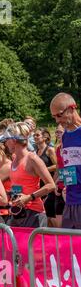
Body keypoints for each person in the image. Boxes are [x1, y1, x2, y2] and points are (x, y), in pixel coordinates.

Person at [0, 123, 55, 227]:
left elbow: (51, 185)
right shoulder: (14, 158)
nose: (5, 144)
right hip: (17, 213)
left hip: (34, 213)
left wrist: (29, 197)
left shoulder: (32, 159)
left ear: (14, 141)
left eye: (6, 140)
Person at [50, 93, 81, 229]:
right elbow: (68, 165)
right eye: (54, 117)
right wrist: (61, 181)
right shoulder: (65, 137)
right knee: (70, 247)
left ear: (71, 108)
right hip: (69, 201)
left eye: (59, 115)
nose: (57, 121)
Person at [34, 127, 58, 223]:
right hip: (39, 186)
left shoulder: (50, 150)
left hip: (49, 184)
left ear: (44, 137)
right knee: (45, 214)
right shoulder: (35, 152)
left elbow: (57, 166)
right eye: (34, 135)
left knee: (51, 214)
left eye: (37, 135)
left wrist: (43, 170)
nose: (35, 137)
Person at [52, 124, 66, 227]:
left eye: (60, 132)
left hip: (70, 187)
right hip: (59, 186)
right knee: (59, 223)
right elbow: (58, 168)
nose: (58, 134)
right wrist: (53, 184)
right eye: (57, 132)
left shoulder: (72, 148)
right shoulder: (57, 149)